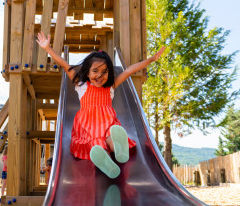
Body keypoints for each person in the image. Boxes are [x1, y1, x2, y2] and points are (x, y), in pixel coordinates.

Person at [36, 31, 166, 178]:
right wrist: (48, 49)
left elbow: (129, 70)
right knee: (97, 145)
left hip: (108, 122)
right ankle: (107, 163)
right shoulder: (81, 85)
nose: (100, 75)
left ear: (109, 73)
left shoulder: (110, 87)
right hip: (88, 126)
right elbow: (64, 65)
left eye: (104, 72)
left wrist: (151, 59)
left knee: (111, 133)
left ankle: (118, 149)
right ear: (87, 73)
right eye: (95, 71)